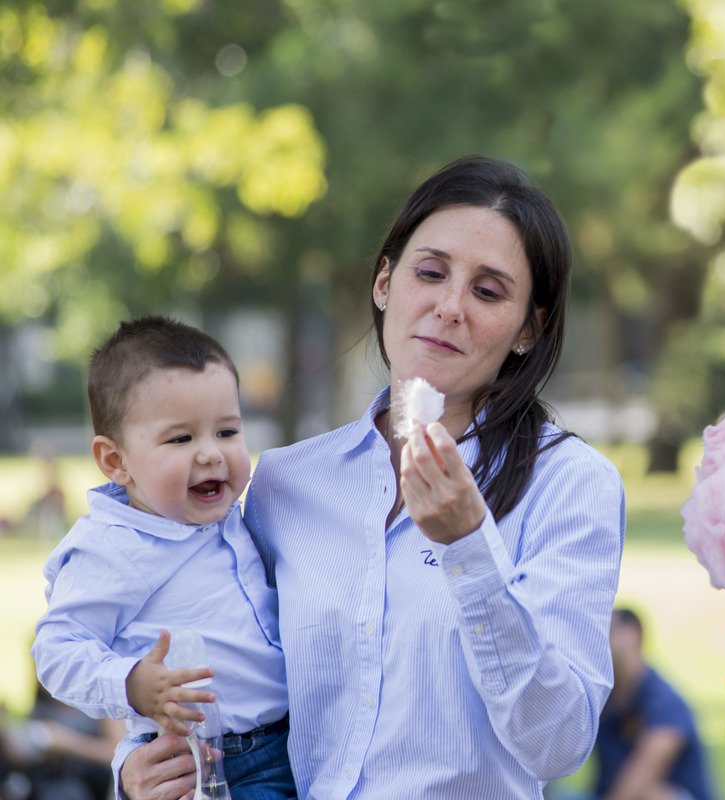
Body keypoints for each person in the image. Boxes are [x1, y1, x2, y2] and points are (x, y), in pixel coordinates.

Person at [117, 155, 626, 800]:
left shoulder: (571, 484)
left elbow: (557, 744)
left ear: (529, 327)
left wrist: (468, 548)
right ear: (385, 282)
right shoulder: (283, 484)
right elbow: (215, 653)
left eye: (489, 291)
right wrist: (136, 767)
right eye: (431, 273)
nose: (449, 307)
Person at [31, 316, 295, 799]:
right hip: (205, 763)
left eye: (228, 431)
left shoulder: (234, 518)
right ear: (116, 461)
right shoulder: (113, 547)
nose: (212, 454)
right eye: (181, 438)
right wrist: (130, 683)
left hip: (291, 744)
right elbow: (55, 650)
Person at [592, 608, 715, 800]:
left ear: (633, 634)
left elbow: (640, 778)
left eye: (605, 630)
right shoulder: (601, 695)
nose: (595, 641)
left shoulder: (665, 702)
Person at [1, 680, 126, 800]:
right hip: (52, 781)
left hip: (97, 780)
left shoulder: (97, 694)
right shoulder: (32, 701)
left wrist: (65, 743)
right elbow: (17, 757)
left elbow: (117, 752)